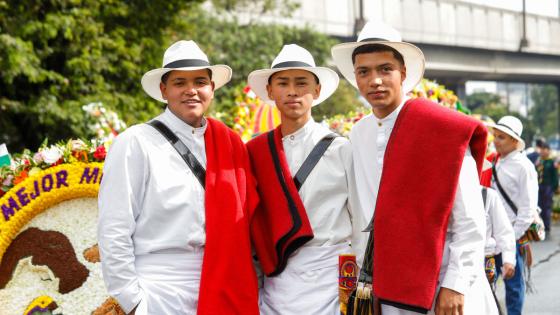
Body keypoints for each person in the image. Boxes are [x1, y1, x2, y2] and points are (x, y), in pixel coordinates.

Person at [331, 21, 498, 314]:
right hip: (390, 285)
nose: (375, 81)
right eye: (364, 72)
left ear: (403, 73)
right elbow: (363, 214)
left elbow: (471, 219)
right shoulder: (359, 134)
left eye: (385, 69)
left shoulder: (443, 128)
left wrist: (456, 282)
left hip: (445, 281)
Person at [97, 40, 259, 315]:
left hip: (223, 284)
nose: (191, 91)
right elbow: (114, 227)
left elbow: (249, 226)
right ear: (164, 90)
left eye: (199, 81)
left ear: (212, 87)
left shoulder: (230, 144)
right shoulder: (136, 142)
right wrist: (133, 300)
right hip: (159, 288)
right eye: (179, 82)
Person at [247, 44, 367, 314]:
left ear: (316, 90)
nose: (292, 91)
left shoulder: (342, 149)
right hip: (276, 281)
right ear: (270, 91)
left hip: (333, 278)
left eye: (301, 83)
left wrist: (364, 293)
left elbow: (363, 222)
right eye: (283, 83)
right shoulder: (255, 152)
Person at [488, 115, 539, 315]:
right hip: (491, 237)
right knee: (488, 284)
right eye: (495, 136)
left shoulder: (524, 167)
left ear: (514, 142)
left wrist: (510, 238)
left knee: (513, 287)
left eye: (501, 137)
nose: (495, 141)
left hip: (513, 237)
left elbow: (528, 209)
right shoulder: (494, 162)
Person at [535, 142, 558, 232]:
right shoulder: (539, 161)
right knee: (539, 207)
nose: (543, 151)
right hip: (539, 186)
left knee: (547, 207)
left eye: (545, 149)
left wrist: (553, 188)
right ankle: (541, 226)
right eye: (542, 149)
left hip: (548, 187)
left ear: (548, 151)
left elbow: (555, 176)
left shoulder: (551, 162)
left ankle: (547, 226)